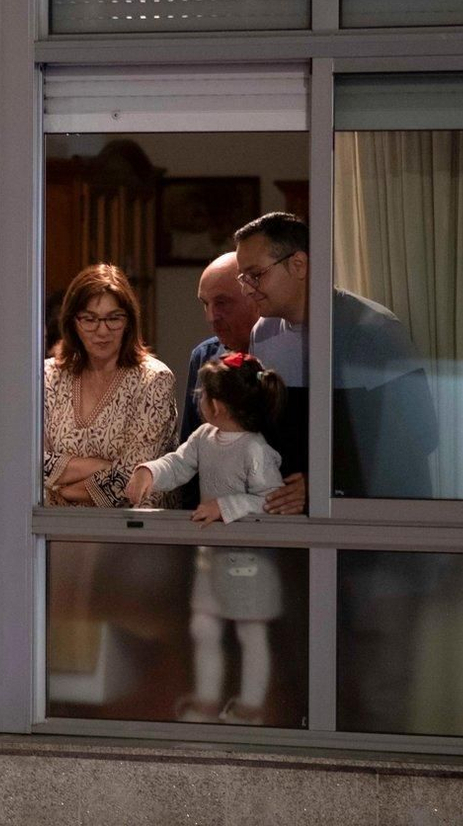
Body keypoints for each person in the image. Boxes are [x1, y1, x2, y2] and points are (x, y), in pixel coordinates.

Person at [233, 212, 439, 505]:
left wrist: (324, 482)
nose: (246, 288)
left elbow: (419, 438)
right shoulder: (263, 334)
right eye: (243, 278)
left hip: (367, 518)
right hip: (293, 518)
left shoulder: (374, 329)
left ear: (299, 265)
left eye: (255, 275)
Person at [126, 352, 286, 725]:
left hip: (250, 561)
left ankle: (251, 704)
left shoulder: (256, 450)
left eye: (202, 393)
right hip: (212, 556)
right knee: (204, 627)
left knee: (251, 631)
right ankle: (209, 699)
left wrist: (225, 506)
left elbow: (270, 500)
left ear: (216, 403)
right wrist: (150, 471)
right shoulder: (203, 437)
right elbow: (179, 463)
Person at [43, 263, 180, 508]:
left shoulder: (153, 379)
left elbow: (132, 479)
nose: (102, 330)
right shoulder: (48, 376)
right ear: (73, 321)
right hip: (56, 530)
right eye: (90, 319)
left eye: (113, 318)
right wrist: (101, 467)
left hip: (133, 531)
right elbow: (28, 463)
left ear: (128, 321)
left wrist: (63, 490)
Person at [178, 252, 261, 441]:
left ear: (253, 298)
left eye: (222, 303)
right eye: (206, 304)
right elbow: (188, 445)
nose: (211, 317)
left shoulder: (282, 352)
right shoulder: (203, 356)